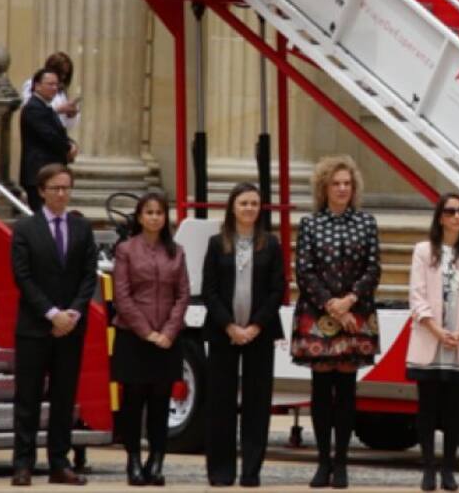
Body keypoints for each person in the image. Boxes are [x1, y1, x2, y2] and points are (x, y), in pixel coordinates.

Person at [290, 156, 381, 489]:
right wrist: (331, 305)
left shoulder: (367, 223)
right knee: (320, 390)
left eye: (347, 183)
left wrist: (349, 303)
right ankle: (322, 462)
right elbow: (304, 271)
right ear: (324, 188)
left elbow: (373, 269)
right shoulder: (311, 224)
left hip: (355, 314)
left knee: (345, 392)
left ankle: (341, 463)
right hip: (319, 314)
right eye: (336, 183)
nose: (343, 189)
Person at [10, 163, 97, 486]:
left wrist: (72, 313)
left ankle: (59, 462)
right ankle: (23, 464)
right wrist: (51, 313)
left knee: (63, 398)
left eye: (66, 188)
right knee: (28, 398)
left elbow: (89, 275)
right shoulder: (25, 229)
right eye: (56, 188)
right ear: (42, 191)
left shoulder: (81, 228)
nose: (62, 194)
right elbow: (23, 276)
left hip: (70, 329)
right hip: (35, 326)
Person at [202, 182, 286, 487]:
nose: (249, 208)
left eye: (254, 203)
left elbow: (278, 290)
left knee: (257, 403)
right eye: (243, 203)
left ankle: (251, 472)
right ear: (232, 208)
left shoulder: (271, 244)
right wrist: (230, 327)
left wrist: (253, 327)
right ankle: (221, 472)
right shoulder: (216, 243)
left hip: (259, 334)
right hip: (224, 332)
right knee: (220, 403)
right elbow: (209, 291)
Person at [407, 193, 459, 491]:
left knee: (455, 409)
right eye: (450, 211)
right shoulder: (423, 251)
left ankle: (449, 469)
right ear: (440, 216)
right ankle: (428, 468)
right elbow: (416, 295)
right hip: (430, 340)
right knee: (427, 407)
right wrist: (437, 331)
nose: (456, 217)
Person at [111, 193, 190, 486]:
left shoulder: (177, 251)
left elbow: (183, 295)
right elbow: (122, 295)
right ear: (140, 217)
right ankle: (132, 460)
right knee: (133, 402)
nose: (155, 217)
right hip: (134, 337)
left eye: (160, 212)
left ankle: (156, 461)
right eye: (149, 212)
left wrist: (168, 332)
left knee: (160, 402)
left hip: (168, 339)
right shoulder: (126, 250)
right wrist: (147, 332)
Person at [19, 69, 77, 211]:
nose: (54, 88)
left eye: (56, 85)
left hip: (49, 172)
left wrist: (71, 143)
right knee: (42, 219)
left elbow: (59, 133)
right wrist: (68, 147)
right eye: (50, 84)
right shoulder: (34, 108)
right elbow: (50, 136)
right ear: (37, 86)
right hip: (40, 173)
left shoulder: (45, 108)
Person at [20, 52, 80, 131]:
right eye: (60, 73)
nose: (63, 77)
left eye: (65, 74)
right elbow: (31, 113)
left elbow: (65, 125)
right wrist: (59, 109)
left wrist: (71, 115)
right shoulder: (32, 84)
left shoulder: (60, 92)